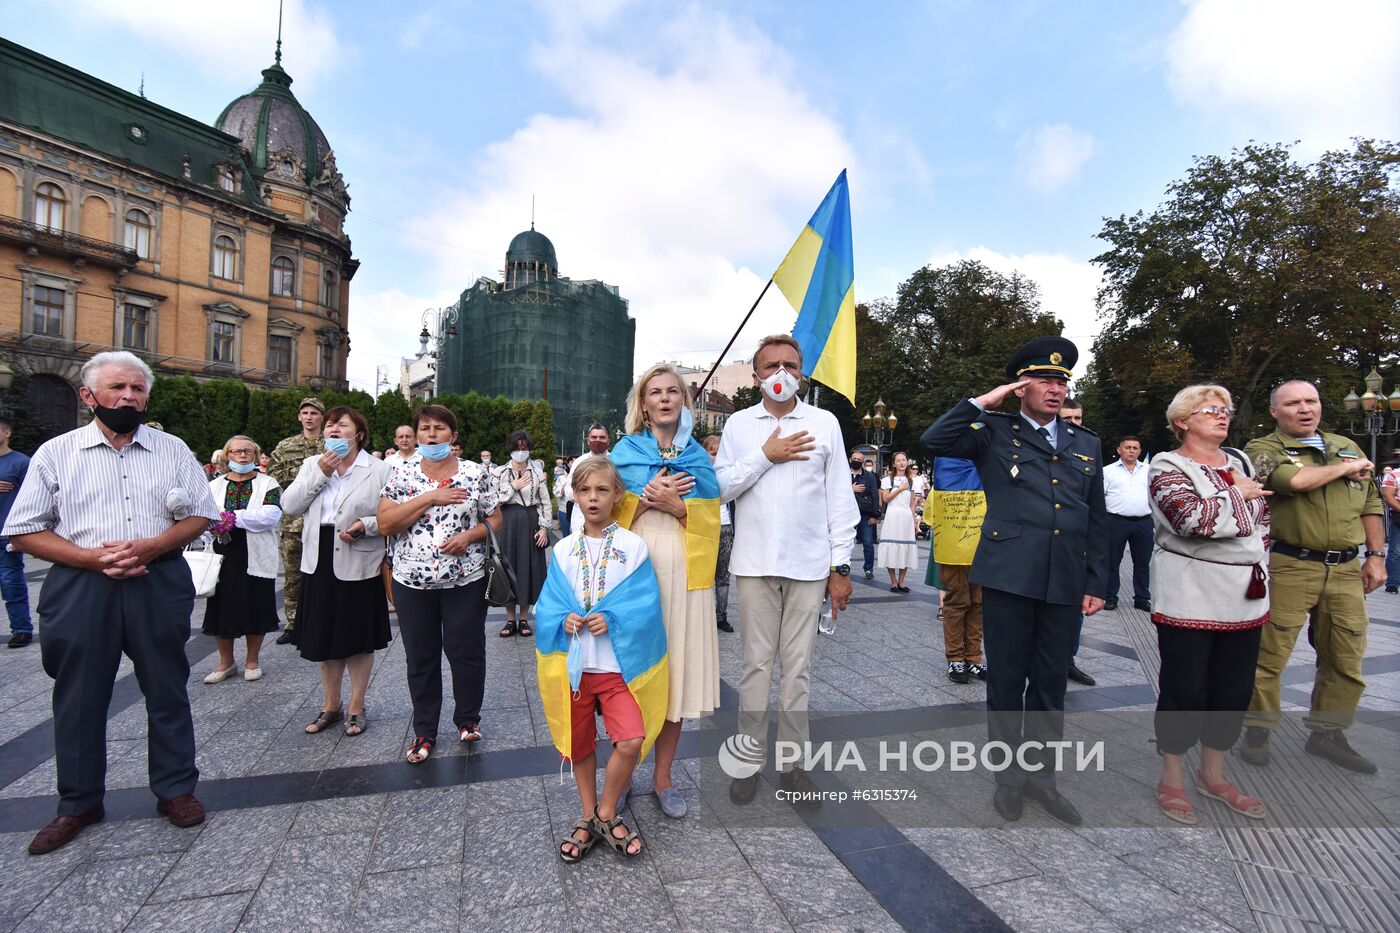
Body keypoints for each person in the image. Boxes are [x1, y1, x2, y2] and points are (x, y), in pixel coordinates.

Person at [5, 351, 220, 854]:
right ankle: (78, 803)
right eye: (118, 388)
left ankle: (176, 790)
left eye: (137, 389)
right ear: (89, 396)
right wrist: (89, 559)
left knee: (167, 687)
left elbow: (201, 515)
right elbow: (23, 530)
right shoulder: (56, 453)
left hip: (157, 579)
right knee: (78, 697)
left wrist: (151, 545)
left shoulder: (172, 449)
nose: (128, 397)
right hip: (82, 587)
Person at [921, 336, 1107, 826]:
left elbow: (1097, 515)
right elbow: (935, 440)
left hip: (1064, 578)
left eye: (1062, 381)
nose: (1056, 388)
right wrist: (986, 400)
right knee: (1006, 680)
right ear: (1022, 386)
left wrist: (1098, 580)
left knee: (1050, 683)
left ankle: (1042, 780)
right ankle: (1008, 778)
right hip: (1008, 576)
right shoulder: (992, 431)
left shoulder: (1084, 443)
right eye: (1044, 380)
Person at [715, 335, 858, 805]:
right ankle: (749, 760)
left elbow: (840, 498)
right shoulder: (739, 424)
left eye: (790, 365)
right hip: (755, 564)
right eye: (771, 365)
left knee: (797, 669)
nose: (781, 372)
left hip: (810, 564)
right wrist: (765, 455)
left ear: (802, 373)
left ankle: (794, 764)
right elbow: (718, 489)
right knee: (756, 666)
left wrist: (841, 566)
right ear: (755, 375)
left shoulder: (824, 423)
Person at [1241, 380, 1385, 774]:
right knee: (1269, 655)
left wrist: (1376, 556)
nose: (1305, 409)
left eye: (1311, 401)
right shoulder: (1263, 449)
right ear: (1275, 411)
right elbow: (1294, 482)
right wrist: (1349, 467)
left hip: (1344, 569)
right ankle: (1257, 728)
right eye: (1293, 403)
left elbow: (1371, 503)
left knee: (1345, 655)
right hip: (1291, 564)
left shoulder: (1345, 445)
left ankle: (1328, 733)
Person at [1148, 385, 1270, 824]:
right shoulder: (1167, 464)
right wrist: (1240, 498)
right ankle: (1172, 777)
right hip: (1190, 591)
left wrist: (1233, 507)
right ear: (1182, 420)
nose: (1222, 416)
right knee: (1186, 687)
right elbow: (1190, 519)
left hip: (1244, 591)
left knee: (1232, 688)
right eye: (1210, 411)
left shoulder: (1238, 462)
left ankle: (1213, 775)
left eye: (1225, 410)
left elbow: (1259, 522)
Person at [536, 457, 667, 862]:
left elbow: (646, 607)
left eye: (603, 490)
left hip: (616, 670)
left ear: (617, 496)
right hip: (574, 669)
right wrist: (564, 618)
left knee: (630, 739)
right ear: (574, 495)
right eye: (586, 490)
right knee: (579, 745)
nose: (594, 498)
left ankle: (605, 812)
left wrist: (612, 618)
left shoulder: (634, 547)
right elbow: (548, 607)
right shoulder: (562, 549)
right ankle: (588, 813)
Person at [613, 363, 721, 819]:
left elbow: (712, 520)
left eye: (672, 391)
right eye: (654, 392)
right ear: (643, 403)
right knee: (630, 676)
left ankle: (663, 778)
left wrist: (679, 507)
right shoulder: (623, 452)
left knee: (674, 675)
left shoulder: (698, 457)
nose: (663, 398)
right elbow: (601, 512)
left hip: (684, 569)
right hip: (635, 568)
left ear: (683, 401)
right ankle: (621, 776)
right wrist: (642, 497)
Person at [378, 405, 501, 763]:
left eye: (440, 429)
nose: (432, 434)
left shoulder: (475, 473)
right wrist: (430, 496)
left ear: (454, 436)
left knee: (467, 652)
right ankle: (424, 731)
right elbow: (386, 524)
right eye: (425, 428)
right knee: (421, 656)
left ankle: (467, 719)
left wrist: (469, 536)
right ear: (416, 435)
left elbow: (495, 517)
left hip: (465, 579)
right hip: (412, 582)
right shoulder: (401, 474)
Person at [282, 407, 393, 738]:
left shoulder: (379, 469)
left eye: (341, 425)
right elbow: (290, 505)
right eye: (330, 425)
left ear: (359, 434)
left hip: (358, 556)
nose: (333, 429)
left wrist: (368, 525)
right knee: (323, 636)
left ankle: (357, 707)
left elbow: (392, 514)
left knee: (358, 639)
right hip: (319, 559)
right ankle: (331, 705)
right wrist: (320, 470)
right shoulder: (311, 465)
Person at [201, 436, 282, 684]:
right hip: (222, 553)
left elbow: (270, 516)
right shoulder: (214, 486)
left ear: (256, 455)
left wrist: (230, 518)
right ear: (228, 455)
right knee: (221, 606)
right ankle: (226, 662)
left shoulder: (268, 483)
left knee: (255, 603)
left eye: (249, 451)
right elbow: (204, 516)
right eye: (237, 452)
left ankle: (252, 660)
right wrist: (218, 522)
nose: (243, 456)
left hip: (255, 552)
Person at [268, 397, 326, 644]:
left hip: (324, 519)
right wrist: (303, 484)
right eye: (305, 413)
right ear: (299, 417)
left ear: (322, 417)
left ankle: (320, 622)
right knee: (293, 576)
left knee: (323, 574)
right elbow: (273, 475)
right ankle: (293, 624)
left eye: (314, 413)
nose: (309, 417)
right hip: (293, 522)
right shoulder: (285, 446)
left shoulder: (333, 445)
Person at [927, 456, 987, 684]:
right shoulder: (949, 472)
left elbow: (931, 515)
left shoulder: (953, 473)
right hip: (956, 551)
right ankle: (956, 657)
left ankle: (973, 657)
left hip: (978, 548)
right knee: (957, 602)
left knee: (977, 602)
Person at [495, 429, 551, 637]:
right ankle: (510, 619)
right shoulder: (499, 472)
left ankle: (525, 619)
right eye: (517, 448)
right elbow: (493, 500)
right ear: (511, 449)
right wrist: (513, 487)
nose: (521, 452)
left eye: (524, 448)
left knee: (529, 568)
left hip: (530, 521)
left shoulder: (537, 473)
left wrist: (544, 528)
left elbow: (545, 502)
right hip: (507, 522)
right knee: (507, 568)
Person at [1058, 397, 1097, 688]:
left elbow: (1097, 509)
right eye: (1067, 418)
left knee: (1074, 611)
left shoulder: (1089, 447)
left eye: (1078, 419)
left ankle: (1068, 660)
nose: (1073, 424)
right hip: (1042, 543)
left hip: (1076, 544)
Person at [1103, 436, 1153, 613]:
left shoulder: (1149, 470)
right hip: (1116, 521)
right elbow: (1101, 497)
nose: (1131, 450)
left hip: (1143, 521)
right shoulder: (1107, 471)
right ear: (1119, 450)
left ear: (1139, 451)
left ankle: (1142, 597)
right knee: (1112, 562)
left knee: (1143, 563)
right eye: (1128, 447)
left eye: (1135, 448)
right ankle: (1110, 597)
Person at [0, 416, 33, 648]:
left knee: (11, 583)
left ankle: (21, 629)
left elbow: (33, 496)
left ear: (6, 433)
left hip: (6, 534)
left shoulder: (21, 462)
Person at [703, 434, 735, 632]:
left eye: (719, 453)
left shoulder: (730, 475)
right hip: (705, 527)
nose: (716, 457)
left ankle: (721, 616)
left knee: (723, 576)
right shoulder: (699, 474)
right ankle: (703, 615)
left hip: (726, 527)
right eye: (712, 453)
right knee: (704, 575)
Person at [878, 452, 919, 592]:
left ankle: (902, 580)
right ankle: (893, 581)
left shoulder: (912, 481)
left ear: (907, 462)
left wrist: (913, 520)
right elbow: (886, 499)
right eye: (898, 460)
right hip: (892, 517)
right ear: (894, 463)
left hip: (906, 518)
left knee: (906, 548)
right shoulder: (887, 480)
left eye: (904, 460)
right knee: (891, 547)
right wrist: (900, 489)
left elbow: (912, 503)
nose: (901, 462)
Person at [564, 424, 612, 530]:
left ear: (608, 440)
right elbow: (568, 491)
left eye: (602, 437)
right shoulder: (579, 462)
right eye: (594, 437)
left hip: (608, 521)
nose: (598, 441)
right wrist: (586, 496)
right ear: (588, 440)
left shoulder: (615, 461)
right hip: (581, 522)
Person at [850, 447, 879, 580]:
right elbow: (833, 490)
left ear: (862, 462)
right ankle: (842, 566)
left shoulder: (869, 476)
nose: (856, 461)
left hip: (864, 514)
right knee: (844, 542)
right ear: (850, 460)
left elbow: (874, 494)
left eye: (859, 460)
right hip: (846, 514)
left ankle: (868, 569)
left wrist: (875, 515)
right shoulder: (842, 474)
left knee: (868, 542)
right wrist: (851, 489)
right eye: (854, 459)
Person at [1380, 465, 1400, 593]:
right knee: (1396, 550)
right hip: (1399, 515)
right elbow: (1388, 495)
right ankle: (1393, 582)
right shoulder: (1394, 474)